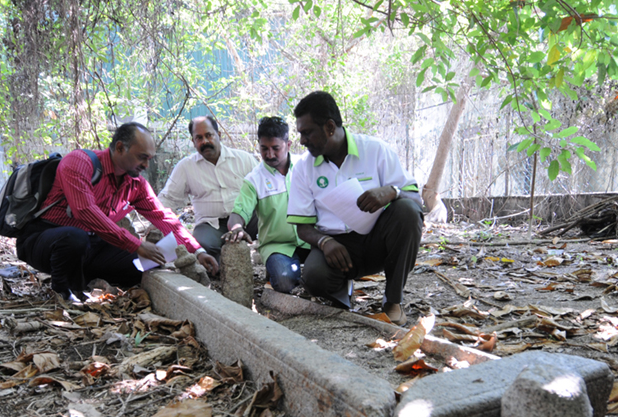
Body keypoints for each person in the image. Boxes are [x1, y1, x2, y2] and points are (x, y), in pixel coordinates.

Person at [16, 122, 218, 302]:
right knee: (74, 238)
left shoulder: (135, 184)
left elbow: (163, 217)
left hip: (91, 245)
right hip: (45, 239)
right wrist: (137, 244)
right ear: (120, 148)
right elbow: (85, 212)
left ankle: (86, 279)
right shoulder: (79, 162)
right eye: (142, 157)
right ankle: (64, 291)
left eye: (149, 159)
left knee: (147, 263)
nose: (146, 165)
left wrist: (197, 251)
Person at [287, 91, 423, 326]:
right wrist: (324, 242)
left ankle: (393, 301)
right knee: (313, 276)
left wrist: (392, 191)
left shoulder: (376, 150)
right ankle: (341, 295)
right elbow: (303, 227)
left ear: (330, 127)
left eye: (307, 132)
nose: (302, 141)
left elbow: (417, 201)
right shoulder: (303, 168)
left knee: (407, 212)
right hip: (337, 247)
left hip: (377, 242)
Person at [222, 116, 310, 292]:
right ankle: (277, 267)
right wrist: (237, 228)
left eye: (275, 148)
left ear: (289, 144)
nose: (269, 155)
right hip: (278, 245)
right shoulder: (254, 179)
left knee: (322, 275)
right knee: (284, 281)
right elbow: (239, 212)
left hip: (311, 239)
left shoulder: (307, 166)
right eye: (264, 149)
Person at [156, 116, 260, 261]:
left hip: (247, 219)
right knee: (201, 248)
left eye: (209, 135)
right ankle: (223, 266)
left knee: (272, 229)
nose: (205, 141)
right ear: (193, 141)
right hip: (211, 224)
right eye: (199, 137)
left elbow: (263, 191)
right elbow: (169, 198)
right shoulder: (186, 167)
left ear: (219, 135)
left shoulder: (244, 159)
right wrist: (154, 223)